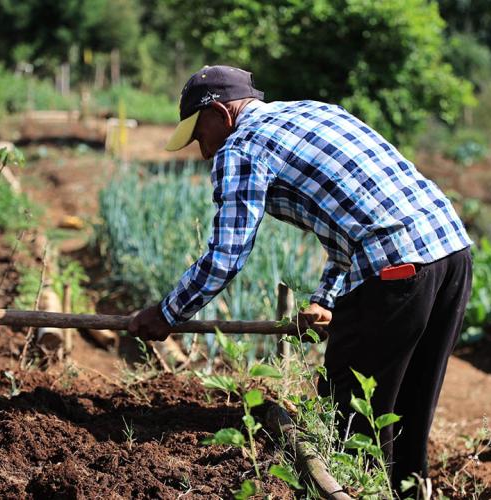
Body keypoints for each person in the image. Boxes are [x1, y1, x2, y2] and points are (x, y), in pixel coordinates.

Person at [128, 65, 473, 491]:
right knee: (407, 412)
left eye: (200, 135)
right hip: (451, 253)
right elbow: (355, 220)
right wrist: (325, 299)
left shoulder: (242, 146)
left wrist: (167, 312)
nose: (203, 152)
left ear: (221, 113)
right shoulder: (315, 112)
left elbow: (226, 255)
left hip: (397, 269)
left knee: (348, 414)